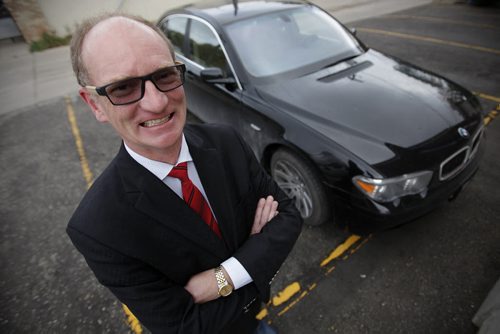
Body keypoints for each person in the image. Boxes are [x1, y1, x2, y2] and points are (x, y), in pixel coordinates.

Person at [66, 13, 303, 334]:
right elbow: (182, 327)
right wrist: (256, 251)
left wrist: (222, 279)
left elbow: (288, 216)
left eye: (164, 75)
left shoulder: (226, 141)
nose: (157, 101)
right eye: (123, 87)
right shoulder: (97, 227)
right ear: (94, 104)